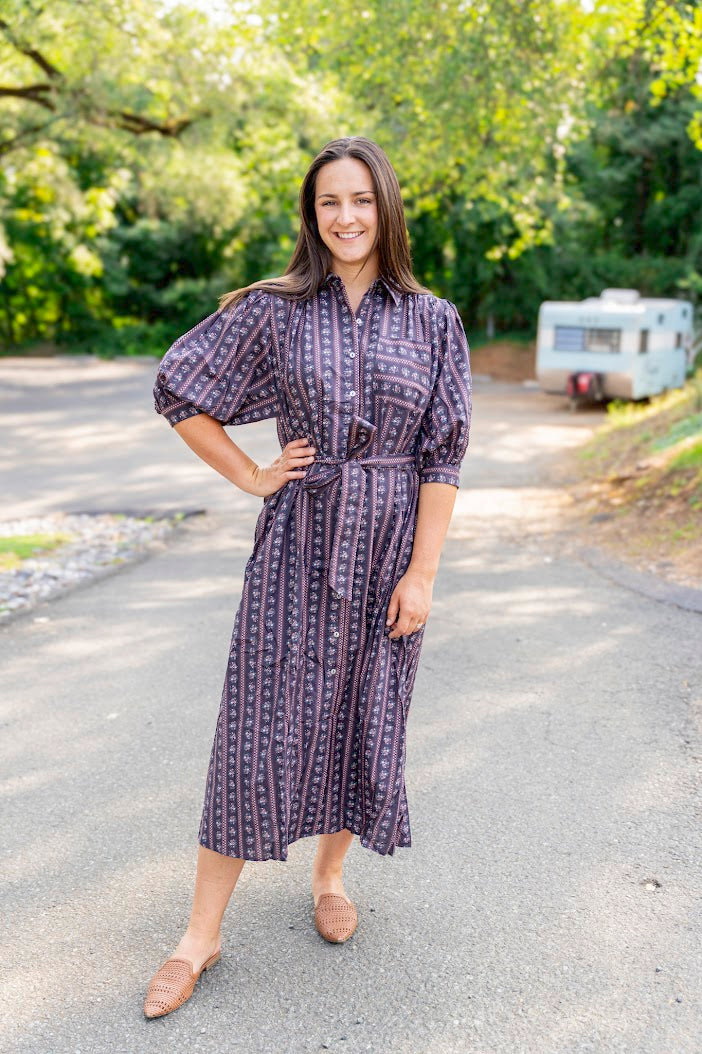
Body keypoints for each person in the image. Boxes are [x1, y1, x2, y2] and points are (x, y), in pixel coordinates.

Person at [144, 135, 472, 1019]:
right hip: (300, 542)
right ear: (311, 214)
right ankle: (199, 935)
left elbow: (443, 456)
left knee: (360, 712)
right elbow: (181, 386)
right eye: (330, 202)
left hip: (390, 545)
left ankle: (330, 876)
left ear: (386, 207)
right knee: (258, 723)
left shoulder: (434, 320)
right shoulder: (276, 308)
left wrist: (424, 574)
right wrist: (251, 475)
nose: (347, 217)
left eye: (361, 199)